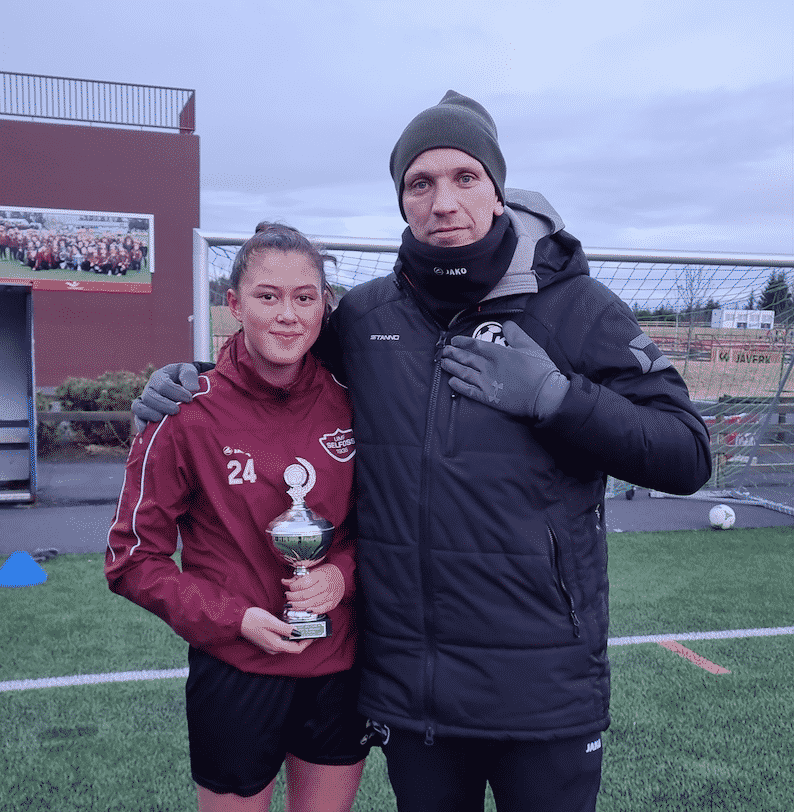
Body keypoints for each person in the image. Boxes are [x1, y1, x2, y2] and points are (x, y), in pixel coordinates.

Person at [134, 92, 712, 812]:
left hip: (544, 690)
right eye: (420, 182)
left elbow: (687, 454)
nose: (443, 202)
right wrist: (191, 378)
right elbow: (280, 361)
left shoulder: (578, 308)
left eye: (465, 177)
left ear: (497, 190)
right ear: (402, 200)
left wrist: (558, 398)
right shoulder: (367, 316)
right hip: (416, 698)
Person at [107, 223, 370, 812]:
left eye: (304, 297)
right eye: (267, 296)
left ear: (324, 306)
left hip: (340, 666)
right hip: (236, 670)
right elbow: (132, 560)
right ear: (234, 304)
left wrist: (342, 576)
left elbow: (385, 526)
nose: (288, 316)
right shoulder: (182, 413)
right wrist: (234, 618)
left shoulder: (355, 401)